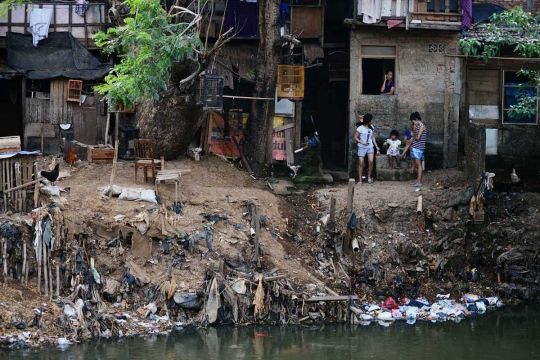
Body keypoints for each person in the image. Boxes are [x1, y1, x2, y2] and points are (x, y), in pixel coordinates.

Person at [354, 114, 380, 185]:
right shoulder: (360, 128)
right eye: (371, 120)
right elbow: (355, 137)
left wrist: (376, 145)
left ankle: (369, 177)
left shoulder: (371, 127)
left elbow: (373, 137)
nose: (372, 121)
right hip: (361, 147)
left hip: (370, 146)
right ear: (368, 121)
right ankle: (360, 180)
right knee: (361, 163)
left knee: (371, 161)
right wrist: (362, 142)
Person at [409, 112, 427, 187]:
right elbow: (412, 135)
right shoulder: (418, 126)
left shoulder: (422, 126)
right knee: (418, 165)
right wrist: (414, 129)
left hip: (419, 148)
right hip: (416, 148)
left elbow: (418, 137)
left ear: (416, 119)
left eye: (413, 121)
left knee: (419, 166)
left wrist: (413, 138)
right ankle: (417, 181)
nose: (413, 123)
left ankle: (419, 182)